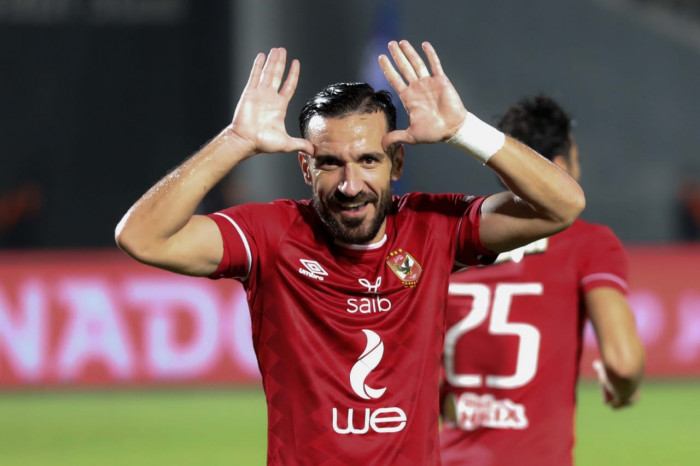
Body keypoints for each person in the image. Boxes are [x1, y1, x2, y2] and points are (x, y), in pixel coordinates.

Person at [115, 41, 584, 465]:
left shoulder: (432, 228)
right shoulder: (271, 236)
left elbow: (561, 206)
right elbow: (142, 237)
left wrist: (464, 130)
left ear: (396, 163)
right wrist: (234, 142)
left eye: (368, 160)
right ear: (306, 168)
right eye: (330, 163)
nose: (350, 185)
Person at [439, 95, 645, 466]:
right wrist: (625, 388)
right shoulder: (588, 243)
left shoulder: (453, 241)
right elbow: (623, 363)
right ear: (561, 166)